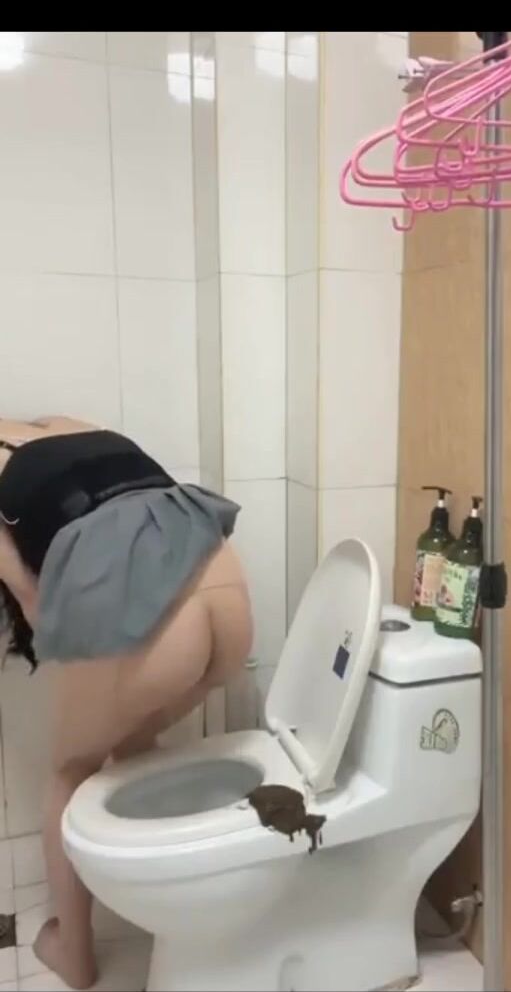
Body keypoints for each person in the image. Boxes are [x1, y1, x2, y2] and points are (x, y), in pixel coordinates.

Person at [0, 415, 253, 990]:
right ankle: (177, 902)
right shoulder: (69, 429)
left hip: (155, 631)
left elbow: (37, 604)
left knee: (69, 771)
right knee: (133, 740)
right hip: (231, 605)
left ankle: (74, 954)